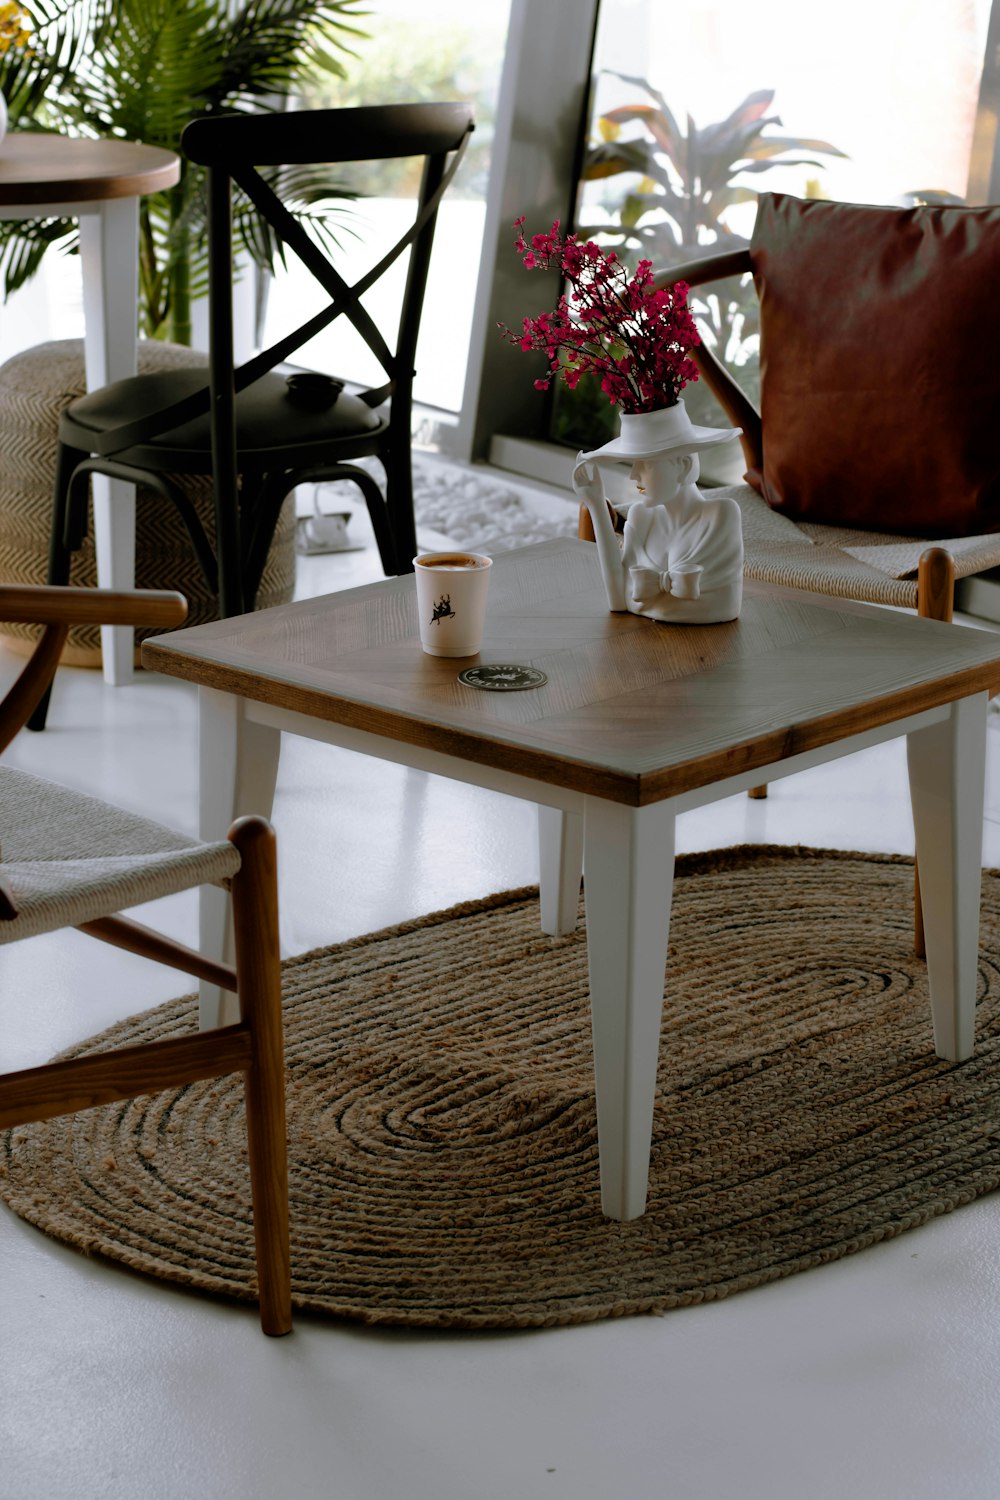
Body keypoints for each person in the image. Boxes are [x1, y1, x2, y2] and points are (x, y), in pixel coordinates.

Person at [573, 403, 744, 625]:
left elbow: (722, 603)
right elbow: (618, 601)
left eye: (646, 464)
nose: (634, 475)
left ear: (682, 466)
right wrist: (596, 504)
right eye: (634, 464)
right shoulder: (641, 517)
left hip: (709, 649)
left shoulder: (721, 515)